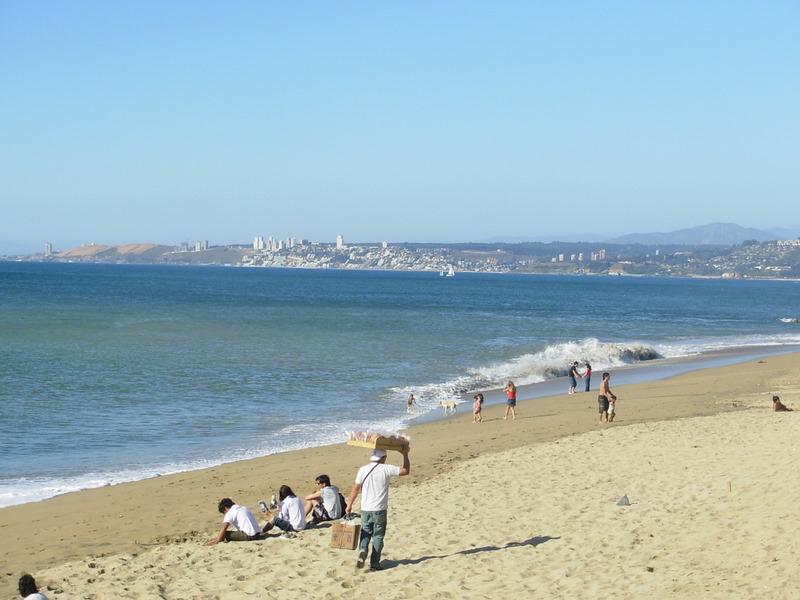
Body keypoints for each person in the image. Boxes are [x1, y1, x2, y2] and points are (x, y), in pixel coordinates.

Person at [345, 447, 410, 571]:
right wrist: (405, 455)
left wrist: (349, 505)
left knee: (365, 532)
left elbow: (355, 488)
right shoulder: (386, 469)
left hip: (365, 509)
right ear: (383, 458)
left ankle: (363, 550)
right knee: (378, 536)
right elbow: (405, 471)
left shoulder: (363, 469)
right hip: (379, 509)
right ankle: (374, 563)